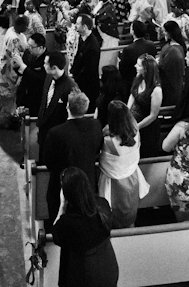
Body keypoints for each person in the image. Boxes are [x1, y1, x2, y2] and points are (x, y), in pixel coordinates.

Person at [51, 166, 119, 287]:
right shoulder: (103, 205)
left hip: (85, 275)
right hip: (108, 266)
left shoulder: (68, 223)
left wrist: (62, 205)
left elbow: (55, 233)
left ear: (66, 194)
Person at [43, 91, 103, 224]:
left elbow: (48, 161)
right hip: (88, 182)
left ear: (67, 107)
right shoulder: (96, 126)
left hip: (61, 185)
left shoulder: (55, 133)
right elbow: (98, 149)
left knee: (60, 221)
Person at [98, 100, 149, 229]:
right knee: (129, 213)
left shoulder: (108, 141)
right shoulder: (135, 131)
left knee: (113, 214)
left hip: (114, 182)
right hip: (132, 177)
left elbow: (102, 159)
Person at [36, 51, 78, 162]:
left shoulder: (70, 87)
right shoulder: (49, 77)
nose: (43, 65)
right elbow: (44, 101)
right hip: (44, 130)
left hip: (57, 136)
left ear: (54, 67)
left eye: (45, 64)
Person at [0, 15, 28, 128]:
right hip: (10, 71)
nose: (27, 28)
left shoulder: (11, 30)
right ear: (20, 25)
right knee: (6, 95)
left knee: (1, 92)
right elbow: (16, 58)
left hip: (5, 67)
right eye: (26, 25)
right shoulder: (14, 39)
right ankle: (0, 119)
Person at [128, 54, 162, 157]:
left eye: (138, 65)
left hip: (147, 128)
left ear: (146, 69)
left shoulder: (156, 90)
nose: (135, 66)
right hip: (134, 121)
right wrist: (127, 112)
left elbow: (153, 116)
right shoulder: (139, 77)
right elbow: (133, 94)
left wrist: (137, 127)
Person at [118, 21, 157, 98]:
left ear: (133, 31)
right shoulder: (151, 45)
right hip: (149, 80)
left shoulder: (128, 49)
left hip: (132, 82)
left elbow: (123, 69)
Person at [71, 14, 100, 113]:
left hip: (88, 85)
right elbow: (78, 57)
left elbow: (88, 70)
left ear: (85, 27)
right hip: (79, 79)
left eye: (78, 23)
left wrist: (75, 79)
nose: (75, 25)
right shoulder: (82, 37)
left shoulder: (92, 46)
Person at [159, 20, 186, 106]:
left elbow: (165, 67)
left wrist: (158, 63)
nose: (164, 33)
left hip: (170, 84)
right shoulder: (171, 46)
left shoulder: (174, 51)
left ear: (170, 32)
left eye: (165, 31)